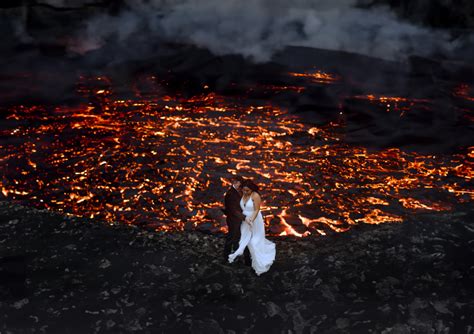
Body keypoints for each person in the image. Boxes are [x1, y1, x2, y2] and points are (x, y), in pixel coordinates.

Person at [228, 179, 276, 275]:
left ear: (252, 189)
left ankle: (258, 263)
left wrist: (251, 220)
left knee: (254, 242)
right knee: (245, 240)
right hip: (245, 220)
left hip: (254, 220)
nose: (245, 192)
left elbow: (257, 210)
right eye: (244, 190)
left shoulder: (255, 195)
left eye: (247, 191)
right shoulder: (242, 194)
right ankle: (248, 261)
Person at [223, 175, 251, 265]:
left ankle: (242, 259)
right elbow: (233, 210)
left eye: (238, 182)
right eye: (235, 182)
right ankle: (226, 257)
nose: (237, 184)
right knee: (232, 238)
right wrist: (244, 218)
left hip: (239, 220)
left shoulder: (239, 192)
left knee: (239, 238)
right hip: (234, 220)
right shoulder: (231, 194)